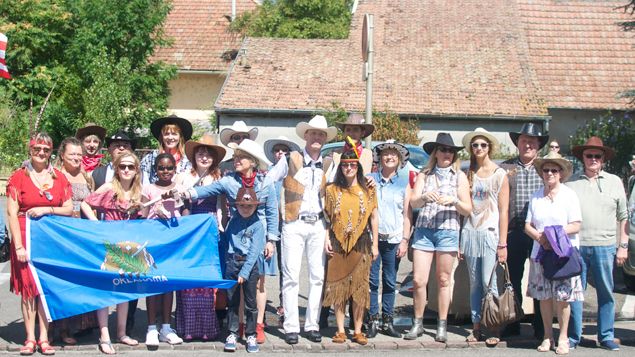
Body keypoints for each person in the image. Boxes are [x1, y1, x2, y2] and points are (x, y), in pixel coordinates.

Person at [178, 139, 279, 343]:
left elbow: (272, 212)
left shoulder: (266, 182)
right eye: (236, 156)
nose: (236, 160)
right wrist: (187, 192)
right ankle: (238, 326)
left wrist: (271, 240)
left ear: (252, 161)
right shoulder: (229, 180)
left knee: (257, 282)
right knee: (236, 284)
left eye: (241, 157)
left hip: (259, 235)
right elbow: (208, 190)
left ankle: (257, 325)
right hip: (236, 237)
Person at [264, 115, 337, 344]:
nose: (317, 137)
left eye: (321, 134)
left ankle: (312, 324)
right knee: (291, 276)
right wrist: (275, 209)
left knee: (317, 277)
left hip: (318, 223)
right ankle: (291, 327)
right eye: (313, 133)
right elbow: (268, 181)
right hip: (293, 223)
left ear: (325, 139)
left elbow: (335, 193)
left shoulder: (328, 163)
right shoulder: (290, 158)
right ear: (306, 136)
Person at [6, 132, 74, 356]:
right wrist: (18, 246)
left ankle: (45, 338)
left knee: (45, 289)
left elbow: (68, 208)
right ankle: (30, 338)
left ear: (51, 152)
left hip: (50, 241)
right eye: (37, 149)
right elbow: (11, 212)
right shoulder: (19, 177)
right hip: (25, 239)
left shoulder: (59, 178)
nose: (41, 153)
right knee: (28, 290)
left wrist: (47, 209)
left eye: (46, 150)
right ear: (30, 150)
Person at [407, 132, 472, 342]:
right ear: (435, 153)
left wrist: (453, 201)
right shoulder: (425, 174)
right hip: (424, 230)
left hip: (448, 231)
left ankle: (442, 325)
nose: (447, 153)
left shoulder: (459, 176)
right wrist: (425, 197)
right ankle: (417, 323)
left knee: (444, 279)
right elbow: (414, 202)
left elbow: (467, 209)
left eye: (451, 150)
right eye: (443, 149)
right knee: (418, 280)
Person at [566, 137, 629, 351]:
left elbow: (624, 216)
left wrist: (623, 245)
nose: (593, 159)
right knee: (575, 293)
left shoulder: (615, 181)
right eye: (589, 155)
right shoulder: (571, 183)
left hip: (606, 245)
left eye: (597, 156)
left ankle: (606, 336)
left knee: (606, 292)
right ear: (582, 158)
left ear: (603, 159)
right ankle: (574, 336)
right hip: (577, 245)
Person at [81, 153, 143, 354]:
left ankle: (122, 333)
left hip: (129, 245)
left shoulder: (138, 191)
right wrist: (96, 224)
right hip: (109, 244)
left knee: (124, 290)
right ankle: (104, 335)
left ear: (136, 170)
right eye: (122, 166)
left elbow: (145, 215)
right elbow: (85, 204)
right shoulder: (109, 188)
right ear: (116, 168)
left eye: (130, 167)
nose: (126, 170)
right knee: (106, 291)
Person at [525, 152, 583, 355]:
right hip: (540, 253)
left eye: (554, 170)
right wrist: (540, 237)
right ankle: (547, 336)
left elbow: (576, 225)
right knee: (544, 298)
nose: (549, 173)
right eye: (546, 170)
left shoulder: (569, 195)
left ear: (561, 174)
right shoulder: (536, 196)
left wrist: (553, 235)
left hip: (563, 255)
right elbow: (527, 225)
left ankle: (563, 337)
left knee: (562, 298)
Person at [323, 146, 379, 345]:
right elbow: (327, 219)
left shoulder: (368, 189)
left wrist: (375, 246)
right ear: (341, 168)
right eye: (345, 165)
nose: (349, 168)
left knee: (359, 287)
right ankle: (340, 330)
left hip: (362, 241)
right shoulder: (331, 190)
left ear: (358, 167)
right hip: (338, 242)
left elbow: (374, 217)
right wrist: (326, 238)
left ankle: (357, 329)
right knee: (339, 285)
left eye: (352, 165)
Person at [174, 134, 226, 341]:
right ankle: (187, 327)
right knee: (189, 277)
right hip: (190, 225)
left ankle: (206, 328)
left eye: (208, 154)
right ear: (194, 157)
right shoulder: (183, 176)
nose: (204, 157)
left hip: (210, 225)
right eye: (200, 153)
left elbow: (223, 206)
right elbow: (178, 202)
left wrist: (219, 226)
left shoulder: (219, 178)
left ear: (213, 158)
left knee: (206, 277)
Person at [500, 123, 549, 338]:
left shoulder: (546, 168)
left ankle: (541, 325)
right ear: (517, 143)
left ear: (538, 145)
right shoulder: (505, 168)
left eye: (532, 141)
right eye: (524, 141)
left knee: (539, 279)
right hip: (514, 231)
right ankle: (513, 322)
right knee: (513, 279)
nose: (528, 144)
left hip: (539, 234)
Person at [460, 128, 509, 345]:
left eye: (483, 145)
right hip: (470, 233)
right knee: (474, 283)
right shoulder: (467, 172)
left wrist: (503, 243)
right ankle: (476, 325)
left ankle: (493, 327)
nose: (479, 148)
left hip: (490, 233)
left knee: (491, 283)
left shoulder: (500, 174)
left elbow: (504, 211)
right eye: (475, 145)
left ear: (489, 147)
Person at [53, 137, 98, 344]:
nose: (76, 158)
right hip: (62, 235)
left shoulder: (87, 177)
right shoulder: (54, 176)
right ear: (62, 154)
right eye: (72, 154)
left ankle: (83, 325)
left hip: (84, 235)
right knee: (63, 282)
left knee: (82, 281)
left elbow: (93, 203)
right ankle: (62, 330)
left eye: (79, 154)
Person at [366, 140, 412, 338]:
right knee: (373, 281)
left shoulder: (404, 184)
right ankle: (373, 319)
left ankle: (388, 320)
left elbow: (407, 215)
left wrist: (404, 240)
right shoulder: (370, 179)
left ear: (399, 159)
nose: (389, 157)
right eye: (386, 154)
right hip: (373, 238)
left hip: (393, 239)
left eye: (394, 154)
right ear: (380, 158)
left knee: (390, 282)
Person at [142, 153, 187, 347]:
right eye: (161, 168)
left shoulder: (179, 189)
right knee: (153, 283)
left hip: (172, 242)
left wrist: (180, 217)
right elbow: (142, 213)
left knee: (169, 285)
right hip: (153, 242)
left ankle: (166, 327)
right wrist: (154, 210)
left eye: (169, 168)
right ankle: (151, 327)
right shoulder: (149, 188)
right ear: (155, 169)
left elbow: (185, 213)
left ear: (175, 169)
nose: (165, 171)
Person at [262, 136, 301, 328]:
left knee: (287, 267)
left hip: (287, 224)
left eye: (284, 151)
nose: (280, 154)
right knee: (262, 267)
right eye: (277, 150)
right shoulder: (267, 174)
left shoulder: (294, 174)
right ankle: (258, 306)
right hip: (270, 225)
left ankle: (285, 304)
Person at [222, 187, 266, 353]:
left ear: (255, 206)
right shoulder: (233, 222)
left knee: (250, 303)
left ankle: (251, 334)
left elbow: (255, 252)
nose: (245, 209)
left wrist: (245, 272)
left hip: (249, 265)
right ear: (237, 206)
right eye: (242, 206)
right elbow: (227, 243)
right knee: (232, 301)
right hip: (233, 263)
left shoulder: (257, 225)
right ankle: (232, 332)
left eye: (249, 206)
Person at [140, 115, 193, 185]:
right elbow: (144, 186)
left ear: (180, 137)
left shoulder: (188, 161)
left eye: (174, 134)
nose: (170, 137)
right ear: (162, 137)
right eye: (166, 134)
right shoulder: (150, 159)